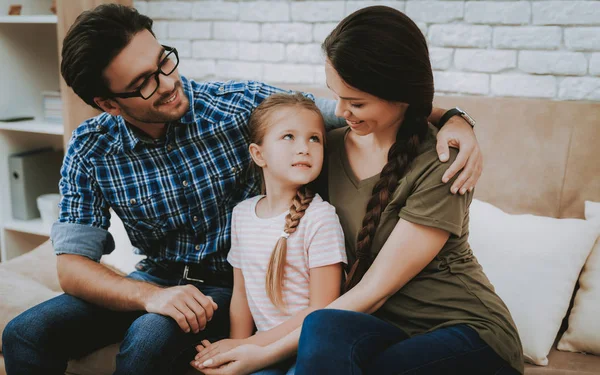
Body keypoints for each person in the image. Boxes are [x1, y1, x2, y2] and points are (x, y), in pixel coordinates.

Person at [2, 4, 482, 375]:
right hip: (152, 279)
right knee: (23, 334)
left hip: (226, 282)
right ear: (108, 103)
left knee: (148, 340)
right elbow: (71, 267)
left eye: (163, 61)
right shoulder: (91, 148)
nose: (168, 83)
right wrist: (150, 296)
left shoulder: (242, 108)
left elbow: (364, 104)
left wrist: (457, 118)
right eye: (145, 83)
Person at [194, 6, 523, 375]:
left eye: (357, 102)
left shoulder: (443, 161)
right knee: (323, 328)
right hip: (382, 329)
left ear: (399, 95)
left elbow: (375, 290)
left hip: (465, 334)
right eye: (337, 95)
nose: (340, 110)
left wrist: (259, 352)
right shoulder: (324, 150)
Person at [195, 93, 347, 375]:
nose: (304, 148)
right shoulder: (242, 214)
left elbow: (321, 311)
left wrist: (251, 346)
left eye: (315, 138)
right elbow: (241, 294)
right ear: (258, 154)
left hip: (307, 350)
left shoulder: (320, 218)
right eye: (289, 136)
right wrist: (236, 348)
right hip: (258, 350)